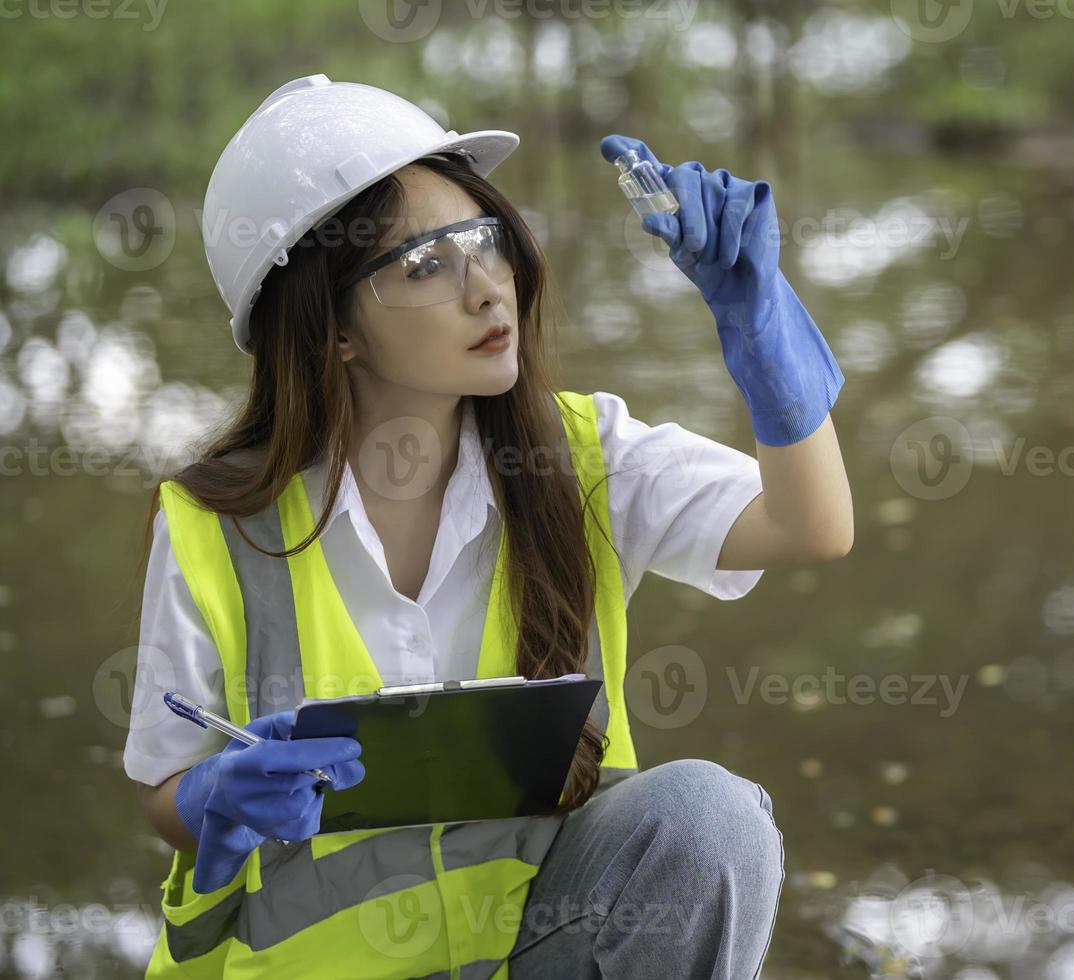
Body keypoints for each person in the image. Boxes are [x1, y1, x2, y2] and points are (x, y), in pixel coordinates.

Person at [121, 74, 852, 978]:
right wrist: (214, 797)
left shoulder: (585, 456)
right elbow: (164, 789)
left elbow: (807, 526)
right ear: (332, 326)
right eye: (426, 264)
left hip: (533, 953)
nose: (487, 290)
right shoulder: (212, 523)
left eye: (485, 242)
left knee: (707, 816)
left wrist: (762, 331)